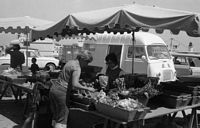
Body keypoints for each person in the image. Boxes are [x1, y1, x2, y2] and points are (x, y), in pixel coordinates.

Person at [49, 50, 95, 128]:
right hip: (61, 92)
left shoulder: (70, 62)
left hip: (53, 89)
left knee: (56, 116)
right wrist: (87, 88)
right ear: (82, 59)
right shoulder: (77, 67)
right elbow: (75, 84)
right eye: (87, 62)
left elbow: (68, 78)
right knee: (63, 118)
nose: (86, 65)